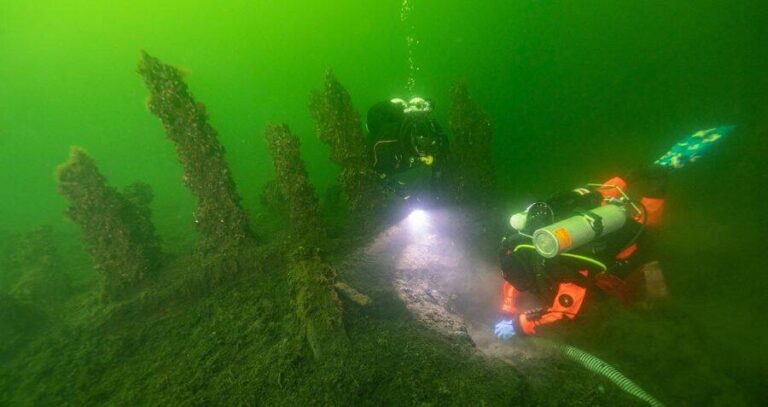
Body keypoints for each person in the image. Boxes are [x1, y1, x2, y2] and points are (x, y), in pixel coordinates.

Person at [494, 167, 670, 339]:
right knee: (603, 202)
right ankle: (633, 180)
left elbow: (564, 314)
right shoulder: (521, 244)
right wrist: (508, 307)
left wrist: (519, 326)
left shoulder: (561, 267)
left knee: (645, 232)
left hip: (620, 245)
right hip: (591, 213)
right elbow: (513, 278)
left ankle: (656, 191)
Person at [366, 97, 448, 199]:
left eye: (428, 145)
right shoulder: (389, 142)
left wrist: (436, 177)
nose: (425, 152)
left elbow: (441, 150)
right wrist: (395, 187)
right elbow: (373, 170)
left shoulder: (430, 128)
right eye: (421, 145)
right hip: (390, 148)